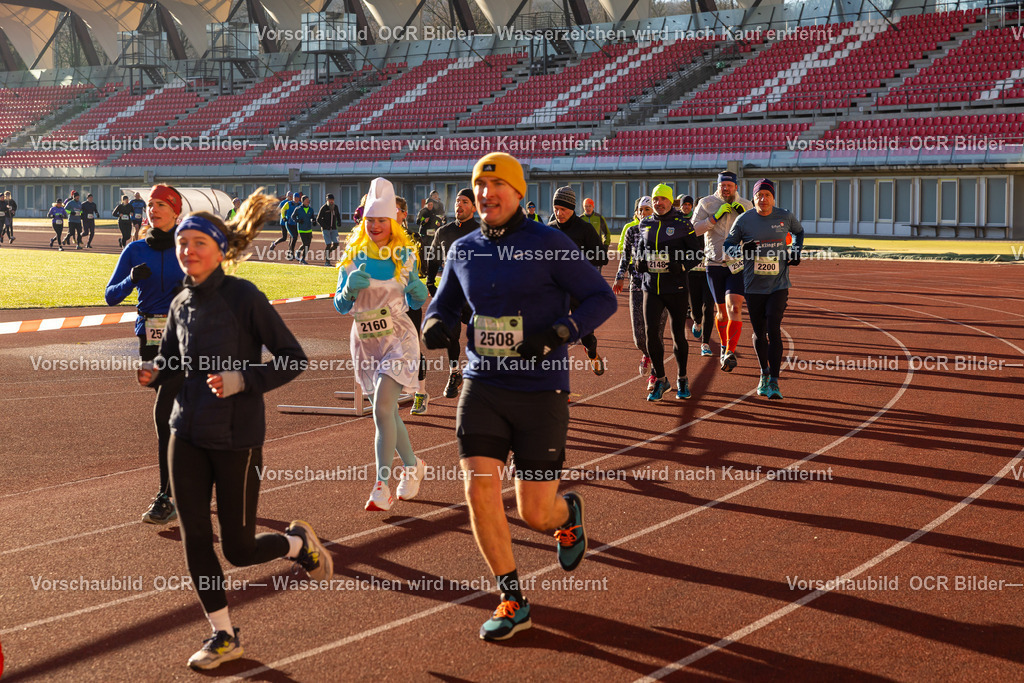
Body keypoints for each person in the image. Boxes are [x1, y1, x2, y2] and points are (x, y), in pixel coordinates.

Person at [422, 153, 616, 641]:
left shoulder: (550, 243)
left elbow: (602, 297)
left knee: (534, 512)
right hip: (483, 385)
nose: (486, 195)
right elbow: (443, 303)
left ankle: (566, 515)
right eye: (479, 187)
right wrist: (435, 324)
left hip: (540, 388)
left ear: (518, 193)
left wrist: (559, 333)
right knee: (479, 491)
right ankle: (512, 598)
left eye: (496, 186)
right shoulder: (463, 249)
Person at [138, 192, 332, 670]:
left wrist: (243, 379)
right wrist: (155, 371)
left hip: (236, 439)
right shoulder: (181, 302)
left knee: (240, 550)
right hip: (185, 434)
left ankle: (297, 544)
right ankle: (223, 634)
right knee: (195, 538)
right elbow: (173, 359)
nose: (188, 251)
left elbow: (292, 358)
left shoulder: (245, 297)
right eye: (183, 243)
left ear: (221, 250)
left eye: (199, 243)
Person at [333, 178, 429, 511]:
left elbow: (414, 301)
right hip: (365, 343)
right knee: (387, 412)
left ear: (393, 222)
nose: (374, 226)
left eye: (381, 220)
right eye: (370, 220)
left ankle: (381, 485)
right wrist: (347, 291)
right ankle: (413, 466)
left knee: (381, 409)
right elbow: (340, 306)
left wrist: (419, 293)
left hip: (398, 340)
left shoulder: (405, 257)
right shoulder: (352, 256)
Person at [105, 185, 188, 525]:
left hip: (186, 339)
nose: (153, 209)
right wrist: (130, 280)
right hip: (150, 341)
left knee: (165, 413)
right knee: (176, 416)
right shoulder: (135, 249)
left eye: (161, 205)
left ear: (176, 212)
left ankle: (167, 497)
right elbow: (110, 296)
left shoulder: (190, 247)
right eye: (151, 204)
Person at [723, 179, 803, 400]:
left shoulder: (785, 216)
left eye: (767, 195)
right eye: (759, 195)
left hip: (779, 284)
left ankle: (775, 381)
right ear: (753, 198)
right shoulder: (744, 220)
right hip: (753, 285)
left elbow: (799, 231)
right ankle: (764, 373)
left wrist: (796, 251)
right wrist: (741, 250)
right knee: (759, 333)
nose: (763, 199)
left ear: (773, 198)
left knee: (773, 327)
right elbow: (728, 245)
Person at [635, 184, 704, 401]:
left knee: (677, 335)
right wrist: (638, 262)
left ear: (670, 201)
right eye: (655, 199)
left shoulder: (683, 224)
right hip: (651, 288)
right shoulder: (645, 223)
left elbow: (697, 254)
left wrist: (681, 266)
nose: (658, 203)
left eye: (663, 199)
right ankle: (661, 379)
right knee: (651, 334)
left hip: (676, 288)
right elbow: (640, 250)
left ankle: (682, 378)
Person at [692, 172, 754, 372]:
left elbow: (754, 234)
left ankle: (729, 352)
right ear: (717, 186)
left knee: (734, 308)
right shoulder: (706, 203)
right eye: (722, 185)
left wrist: (744, 218)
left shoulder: (746, 205)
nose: (726, 188)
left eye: (729, 185)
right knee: (721, 313)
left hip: (737, 265)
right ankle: (724, 346)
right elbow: (693, 230)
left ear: (736, 187)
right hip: (714, 264)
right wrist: (713, 218)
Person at [426, 188, 480, 399]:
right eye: (458, 201)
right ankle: (454, 373)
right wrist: (430, 283)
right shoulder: (444, 231)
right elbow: (433, 258)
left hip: (477, 296)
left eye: (465, 201)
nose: (459, 205)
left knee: (482, 337)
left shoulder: (483, 232)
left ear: (474, 207)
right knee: (450, 335)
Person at [549, 186, 608, 375]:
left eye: (563, 209)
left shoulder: (585, 229)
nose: (559, 213)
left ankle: (592, 352)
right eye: (556, 209)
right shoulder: (549, 228)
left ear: (572, 208)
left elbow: (602, 257)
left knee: (586, 336)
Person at [613, 195, 667, 391]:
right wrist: (619, 276)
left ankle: (655, 374)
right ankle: (647, 354)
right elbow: (625, 256)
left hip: (660, 286)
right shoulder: (631, 231)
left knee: (656, 334)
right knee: (639, 337)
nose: (644, 213)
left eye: (647, 209)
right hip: (637, 285)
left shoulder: (662, 230)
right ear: (636, 213)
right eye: (641, 210)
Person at [395, 195, 429, 415]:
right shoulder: (375, 238)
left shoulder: (413, 238)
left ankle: (421, 393)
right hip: (384, 305)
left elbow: (420, 270)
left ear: (404, 214)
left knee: (412, 349)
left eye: (394, 210)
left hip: (408, 303)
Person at [678, 194, 715, 357]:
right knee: (696, 309)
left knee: (709, 307)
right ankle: (697, 321)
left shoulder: (714, 225)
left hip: (709, 272)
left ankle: (705, 343)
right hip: (692, 273)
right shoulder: (688, 226)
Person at [317, 193, 342, 267]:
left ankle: (327, 252)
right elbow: (318, 219)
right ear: (327, 200)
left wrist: (339, 222)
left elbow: (338, 215)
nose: (331, 201)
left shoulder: (335, 207)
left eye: (332, 200)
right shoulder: (324, 208)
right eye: (330, 200)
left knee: (336, 244)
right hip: (326, 230)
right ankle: (327, 261)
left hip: (334, 229)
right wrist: (325, 226)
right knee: (328, 244)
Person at [290, 194, 315, 264]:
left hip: (309, 229)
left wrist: (314, 221)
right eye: (306, 200)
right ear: (303, 201)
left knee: (308, 245)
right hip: (302, 229)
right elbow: (293, 217)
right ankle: (301, 257)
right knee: (305, 243)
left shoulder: (311, 209)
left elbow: (312, 217)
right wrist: (298, 221)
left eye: (308, 200)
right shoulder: (298, 209)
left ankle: (302, 257)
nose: (308, 201)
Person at [284, 191, 301, 260]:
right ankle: (291, 253)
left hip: (296, 224)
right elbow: (282, 210)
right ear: (293, 198)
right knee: (294, 237)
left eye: (297, 198)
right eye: (295, 198)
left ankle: (289, 253)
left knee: (293, 238)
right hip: (289, 223)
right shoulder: (288, 203)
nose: (296, 199)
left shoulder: (300, 204)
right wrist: (283, 217)